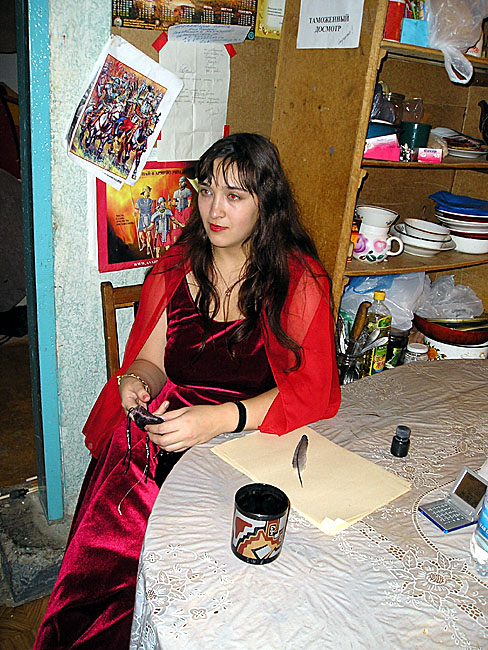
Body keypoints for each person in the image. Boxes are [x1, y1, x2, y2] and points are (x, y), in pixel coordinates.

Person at [33, 133, 340, 649]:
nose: (214, 209)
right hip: (165, 433)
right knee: (109, 553)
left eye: (234, 196)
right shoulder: (176, 266)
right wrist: (135, 383)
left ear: (266, 204)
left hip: (252, 440)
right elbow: (152, 362)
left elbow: (310, 394)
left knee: (244, 577)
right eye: (206, 190)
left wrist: (215, 419)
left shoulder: (298, 280)